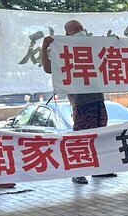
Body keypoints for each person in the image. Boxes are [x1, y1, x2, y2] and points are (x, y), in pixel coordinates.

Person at [42, 19, 115, 184]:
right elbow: (48, 69)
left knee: (100, 136)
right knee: (81, 138)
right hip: (81, 102)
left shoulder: (92, 46)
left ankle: (98, 168)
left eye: (81, 27)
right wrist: (45, 45)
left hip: (98, 100)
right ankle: (78, 171)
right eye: (75, 29)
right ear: (67, 34)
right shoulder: (62, 50)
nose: (80, 30)